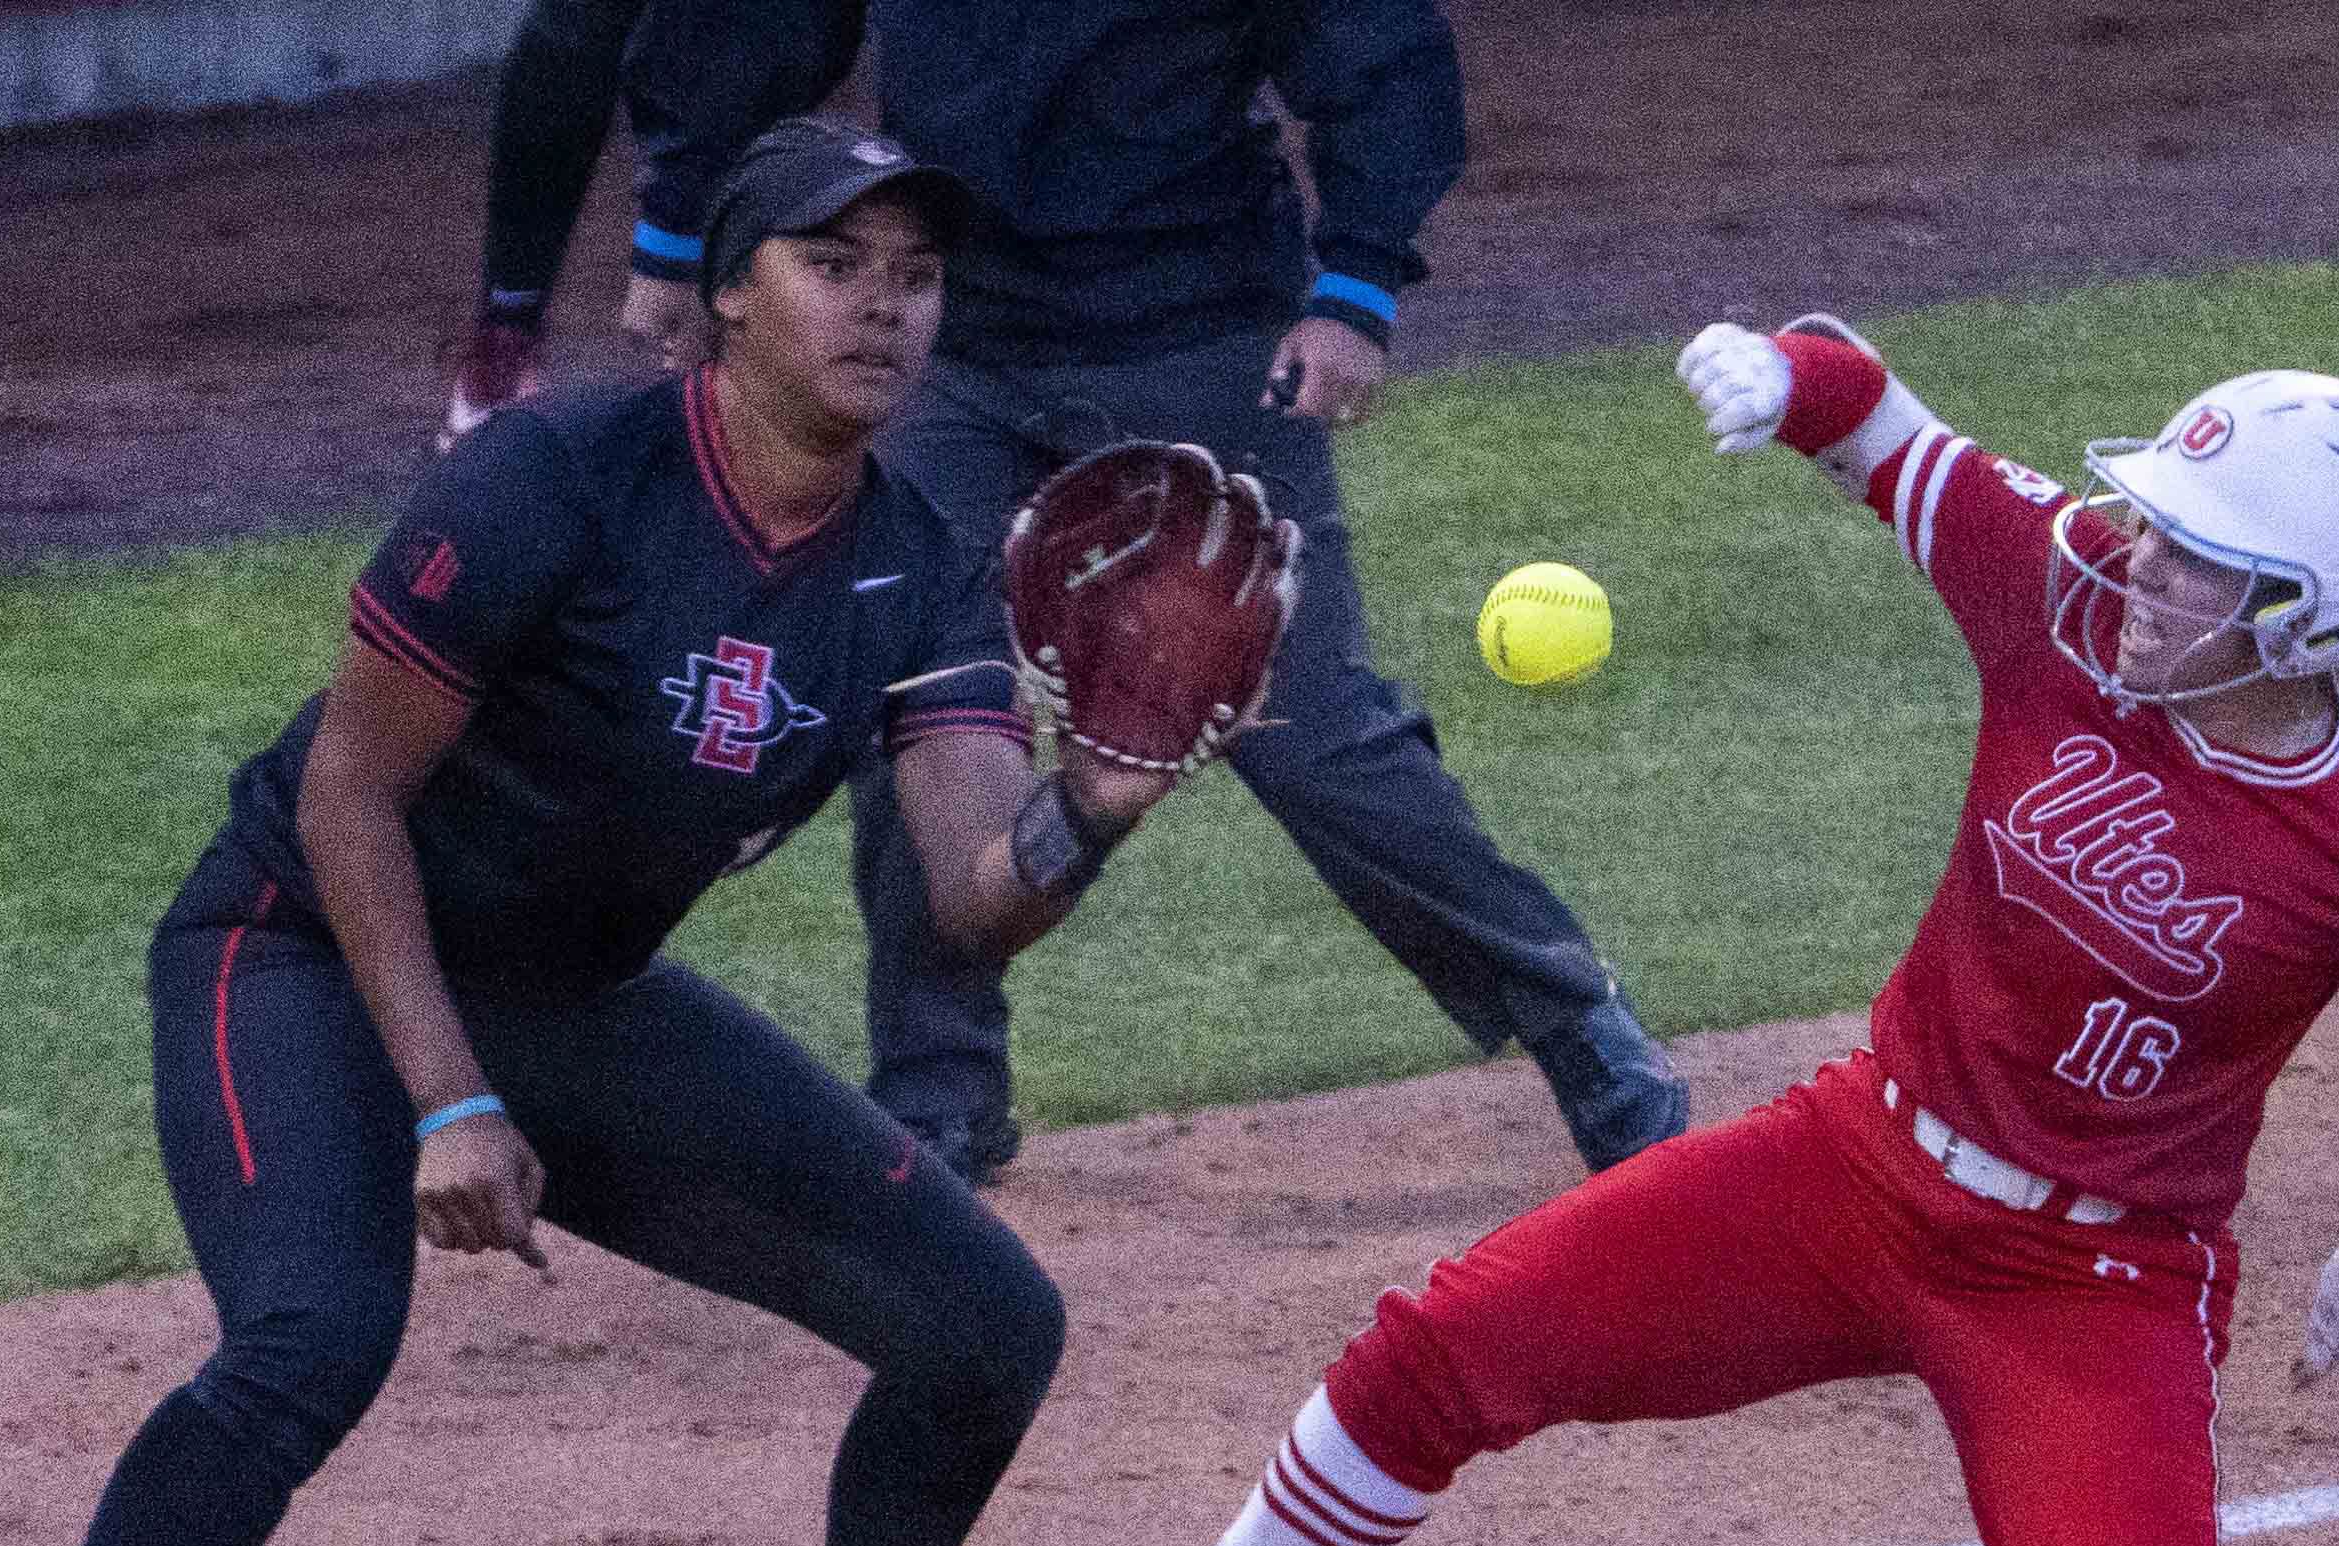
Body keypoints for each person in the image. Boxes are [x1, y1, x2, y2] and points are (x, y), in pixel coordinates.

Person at [0, 120, 1250, 1546]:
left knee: (982, 1320)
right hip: (293, 946)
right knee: (309, 1340)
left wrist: (1097, 803)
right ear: (721, 299)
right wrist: (447, 1096)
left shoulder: (916, 564)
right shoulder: (556, 479)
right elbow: (346, 790)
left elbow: (967, 895)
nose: (883, 306)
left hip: (566, 989)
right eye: (832, 262)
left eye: (915, 274)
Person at [950, 317, 2339, 1546]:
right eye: (2154, 522)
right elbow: (1889, 434)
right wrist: (1782, 375)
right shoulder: (2070, 595)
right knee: (1450, 1340)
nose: (2145, 561)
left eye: (2199, 554)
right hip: (1856, 1167)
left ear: (2309, 613)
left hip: (2090, 1279)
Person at [442, 0, 1691, 1185]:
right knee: (917, 710)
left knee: (1311, 738)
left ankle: (1578, 1025)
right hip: (956, 344)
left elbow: (1375, 49)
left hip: (1202, 335)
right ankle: (940, 1096)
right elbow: (752, 30)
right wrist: (674, 230)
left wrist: (1356, 285)